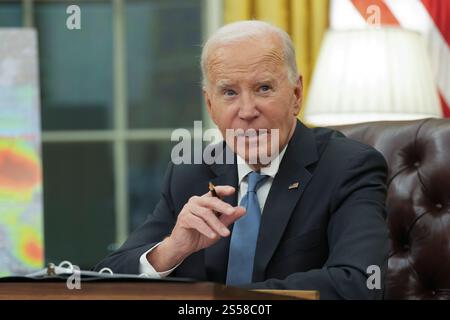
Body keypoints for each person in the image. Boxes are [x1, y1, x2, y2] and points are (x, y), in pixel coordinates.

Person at [95, 20, 389, 300]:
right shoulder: (192, 171)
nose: (247, 111)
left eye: (263, 88)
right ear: (210, 105)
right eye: (229, 93)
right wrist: (171, 249)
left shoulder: (348, 167)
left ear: (296, 95)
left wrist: (229, 303)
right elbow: (106, 276)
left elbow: (359, 283)